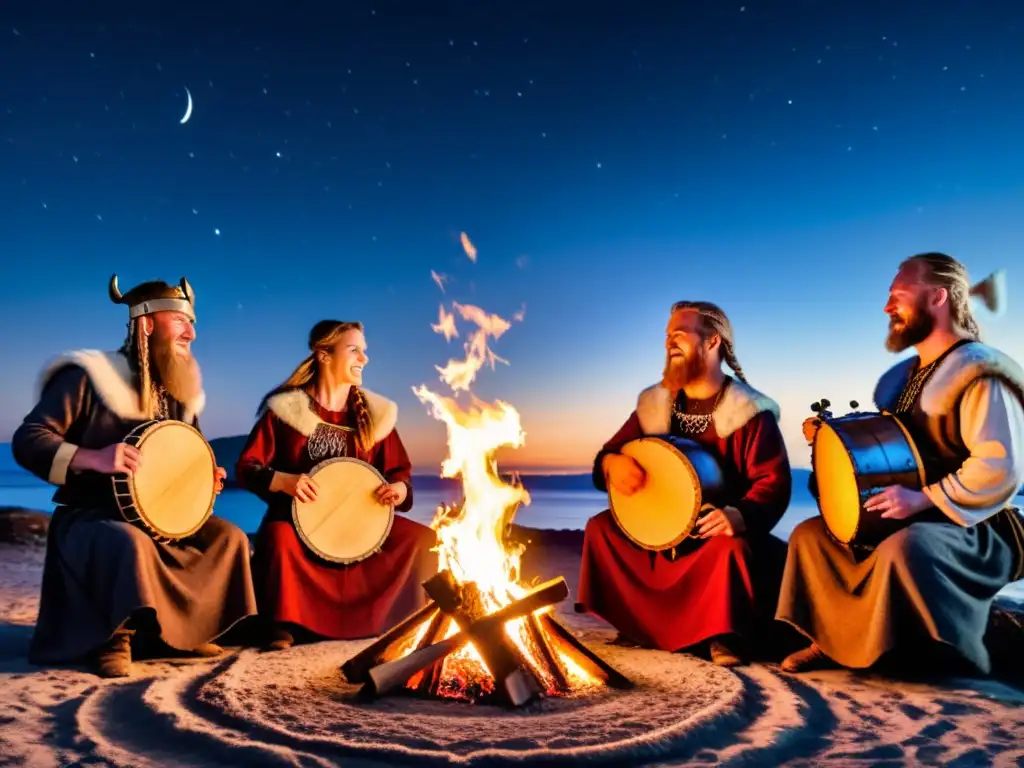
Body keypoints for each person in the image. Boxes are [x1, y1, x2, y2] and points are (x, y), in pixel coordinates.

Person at [778, 253, 1024, 675]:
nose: (887, 307)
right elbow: (893, 454)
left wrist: (923, 499)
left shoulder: (979, 373)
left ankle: (919, 650)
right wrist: (832, 443)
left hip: (976, 524)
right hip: (910, 511)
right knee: (811, 536)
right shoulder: (909, 378)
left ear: (937, 297)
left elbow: (1000, 468)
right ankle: (831, 641)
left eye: (898, 296)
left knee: (904, 548)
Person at [11, 275, 258, 678]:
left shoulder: (180, 392)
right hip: (93, 515)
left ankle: (176, 634)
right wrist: (92, 457)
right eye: (180, 322)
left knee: (228, 538)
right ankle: (114, 637)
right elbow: (28, 439)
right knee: (128, 541)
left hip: (165, 519)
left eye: (192, 323)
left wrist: (204, 477)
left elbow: (182, 455)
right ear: (146, 323)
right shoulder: (89, 376)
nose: (192, 333)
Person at [576, 301, 792, 666]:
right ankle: (639, 625)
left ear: (712, 343)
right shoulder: (655, 404)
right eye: (666, 336)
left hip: (713, 533)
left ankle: (721, 634)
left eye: (679, 334)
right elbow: (607, 456)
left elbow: (774, 483)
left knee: (730, 553)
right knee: (601, 529)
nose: (668, 343)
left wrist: (738, 516)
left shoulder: (748, 411)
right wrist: (613, 463)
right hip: (661, 528)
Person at [236, 319, 437, 650]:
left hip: (361, 529)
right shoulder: (287, 411)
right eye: (354, 350)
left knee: (423, 540)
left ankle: (403, 621)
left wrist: (399, 490)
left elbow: (400, 472)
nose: (364, 359)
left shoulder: (375, 415)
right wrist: (282, 481)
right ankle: (285, 625)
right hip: (299, 527)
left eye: (365, 351)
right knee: (277, 537)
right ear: (324, 355)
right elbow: (247, 467)